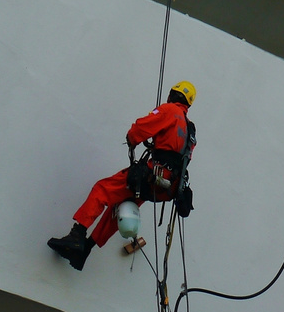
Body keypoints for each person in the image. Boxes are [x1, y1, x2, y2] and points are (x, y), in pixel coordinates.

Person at [48, 81, 197, 270]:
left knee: (103, 189)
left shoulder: (169, 111)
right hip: (166, 188)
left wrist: (132, 138)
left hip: (153, 175)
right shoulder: (191, 130)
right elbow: (176, 151)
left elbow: (140, 129)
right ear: (188, 104)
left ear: (171, 95)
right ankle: (84, 251)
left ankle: (77, 235)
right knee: (119, 208)